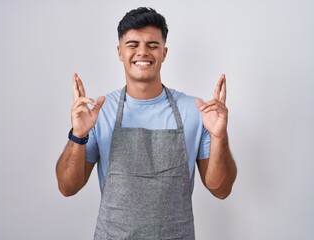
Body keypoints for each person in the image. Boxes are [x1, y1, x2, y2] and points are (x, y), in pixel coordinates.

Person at [56, 7, 237, 239]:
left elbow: (220, 190)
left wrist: (220, 136)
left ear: (164, 52)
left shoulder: (195, 111)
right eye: (132, 45)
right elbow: (67, 187)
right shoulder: (98, 113)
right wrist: (78, 134)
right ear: (120, 52)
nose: (143, 52)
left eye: (152, 45)